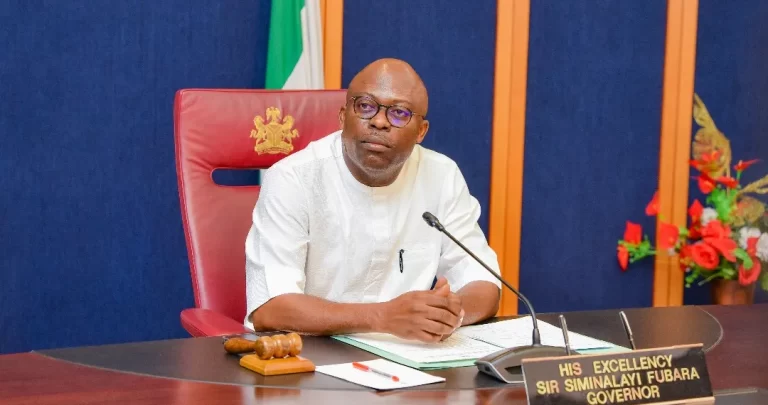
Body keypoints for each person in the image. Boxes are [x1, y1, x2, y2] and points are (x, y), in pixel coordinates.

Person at [244, 58, 502, 343]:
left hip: (408, 355)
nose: (379, 121)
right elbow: (270, 307)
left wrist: (448, 314)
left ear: (421, 131)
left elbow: (484, 282)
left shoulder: (442, 175)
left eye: (399, 113)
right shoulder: (293, 178)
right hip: (311, 353)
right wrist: (382, 317)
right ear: (343, 116)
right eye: (365, 106)